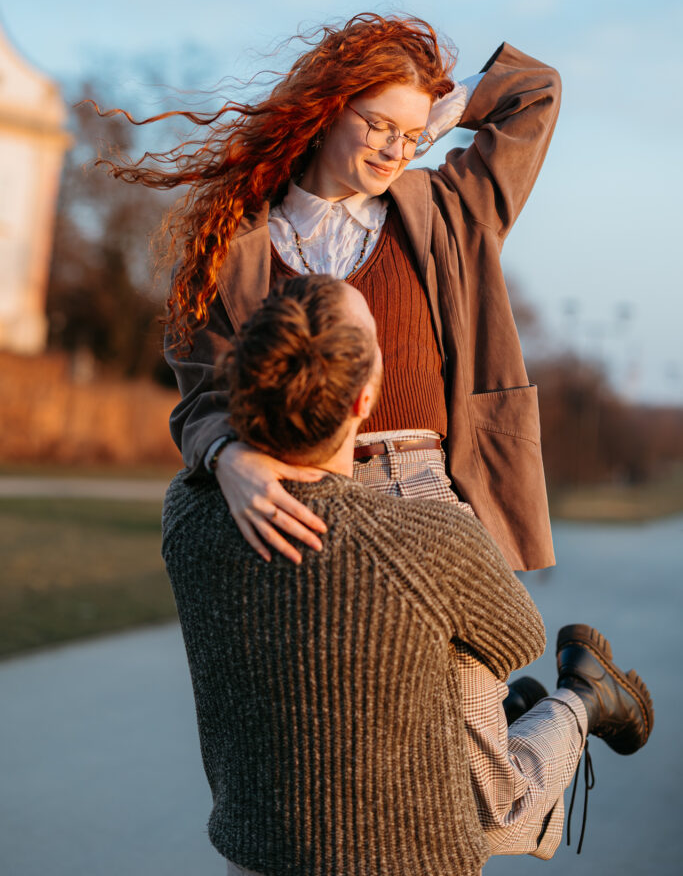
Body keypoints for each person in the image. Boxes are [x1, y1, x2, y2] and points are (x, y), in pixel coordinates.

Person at [162, 275, 654, 876]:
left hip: (257, 853)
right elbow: (522, 638)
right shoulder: (427, 539)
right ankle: (582, 699)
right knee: (501, 809)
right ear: (364, 402)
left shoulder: (186, 514)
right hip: (414, 861)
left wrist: (222, 451)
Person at [102, 12, 559, 572]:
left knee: (474, 635)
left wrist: (439, 110)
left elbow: (536, 91)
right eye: (380, 126)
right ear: (329, 108)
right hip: (299, 500)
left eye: (411, 137)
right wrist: (228, 457)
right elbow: (203, 393)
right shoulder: (233, 246)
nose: (396, 151)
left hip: (428, 492)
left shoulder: (450, 211)